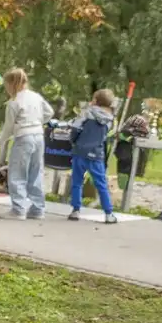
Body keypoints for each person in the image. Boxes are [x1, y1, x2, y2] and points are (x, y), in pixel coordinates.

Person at [0, 69, 54, 220]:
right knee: (36, 172)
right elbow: (50, 112)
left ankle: (18, 209)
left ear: (11, 84)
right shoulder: (36, 96)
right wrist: (38, 121)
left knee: (17, 173)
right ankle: (37, 209)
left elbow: (8, 127)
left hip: (23, 137)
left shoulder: (13, 102)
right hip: (39, 136)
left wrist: (0, 141)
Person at [68, 89, 118, 224]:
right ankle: (108, 213)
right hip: (96, 154)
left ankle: (75, 210)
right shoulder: (110, 119)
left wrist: (74, 141)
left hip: (80, 151)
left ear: (95, 100)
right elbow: (108, 136)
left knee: (77, 182)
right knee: (101, 184)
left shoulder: (86, 113)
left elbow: (75, 128)